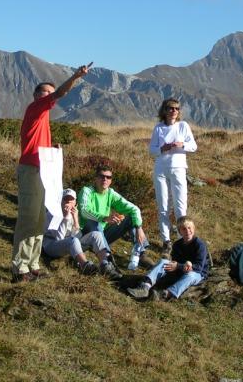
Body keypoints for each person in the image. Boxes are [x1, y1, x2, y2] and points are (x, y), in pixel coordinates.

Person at [12, 64, 90, 283]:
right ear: (37, 95)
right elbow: (61, 93)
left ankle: (32, 264)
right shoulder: (36, 108)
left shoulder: (43, 116)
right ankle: (19, 268)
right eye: (45, 92)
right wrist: (76, 76)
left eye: (49, 92)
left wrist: (53, 151)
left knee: (38, 219)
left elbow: (38, 144)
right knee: (28, 219)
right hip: (30, 170)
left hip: (42, 170)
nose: (49, 95)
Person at [78, 165, 151, 271]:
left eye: (108, 177)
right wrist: (103, 218)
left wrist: (139, 228)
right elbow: (84, 211)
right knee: (95, 222)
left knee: (131, 218)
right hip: (87, 235)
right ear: (95, 178)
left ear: (111, 180)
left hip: (103, 234)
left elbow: (134, 209)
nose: (105, 179)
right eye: (101, 176)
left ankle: (141, 253)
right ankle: (108, 259)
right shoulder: (87, 191)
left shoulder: (110, 193)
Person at [148, 98, 197, 256]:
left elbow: (193, 146)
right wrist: (163, 148)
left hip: (179, 169)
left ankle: (182, 238)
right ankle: (166, 241)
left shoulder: (183, 126)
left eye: (176, 108)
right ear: (164, 110)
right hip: (161, 170)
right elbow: (152, 150)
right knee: (163, 206)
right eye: (170, 108)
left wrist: (182, 145)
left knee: (180, 206)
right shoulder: (159, 128)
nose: (173, 111)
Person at [42, 189, 120, 278]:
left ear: (75, 202)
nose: (68, 202)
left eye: (71, 200)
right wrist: (66, 218)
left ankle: (105, 265)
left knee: (96, 234)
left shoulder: (74, 214)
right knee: (73, 240)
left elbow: (77, 236)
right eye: (65, 199)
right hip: (51, 245)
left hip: (70, 244)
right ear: (60, 201)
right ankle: (85, 266)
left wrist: (75, 220)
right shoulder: (52, 214)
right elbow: (59, 240)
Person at [127, 217, 208, 301]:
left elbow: (199, 267)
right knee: (164, 261)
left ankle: (165, 294)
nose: (187, 231)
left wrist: (180, 266)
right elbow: (175, 261)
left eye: (189, 228)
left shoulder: (200, 244)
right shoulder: (177, 244)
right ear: (180, 231)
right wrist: (178, 266)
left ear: (193, 229)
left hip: (197, 272)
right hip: (180, 269)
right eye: (184, 229)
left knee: (190, 275)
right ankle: (145, 287)